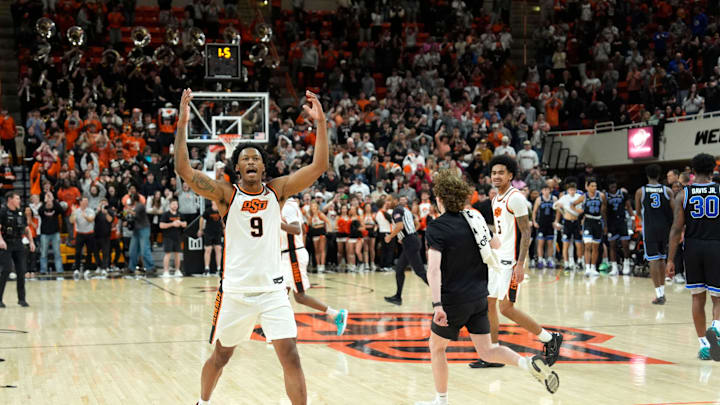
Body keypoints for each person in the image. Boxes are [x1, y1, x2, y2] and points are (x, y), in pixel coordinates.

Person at [175, 89, 328, 405]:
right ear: (237, 168)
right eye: (244, 158)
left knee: (291, 355)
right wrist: (182, 125)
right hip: (236, 292)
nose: (250, 160)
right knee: (221, 356)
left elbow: (318, 167)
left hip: (273, 291)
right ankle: (202, 402)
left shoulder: (278, 191)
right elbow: (185, 171)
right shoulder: (225, 195)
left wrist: (321, 123)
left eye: (255, 157)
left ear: (263, 166)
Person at [416, 170, 559, 405]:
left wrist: (437, 304)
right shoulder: (475, 219)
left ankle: (441, 401)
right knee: (487, 350)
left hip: (453, 300)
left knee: (436, 347)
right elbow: (495, 243)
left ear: (440, 199)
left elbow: (434, 270)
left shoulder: (437, 227)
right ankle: (526, 363)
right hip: (479, 297)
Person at [470, 156, 562, 369]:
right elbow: (501, 231)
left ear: (510, 175)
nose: (496, 176)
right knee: (488, 305)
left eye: (501, 172)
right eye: (493, 173)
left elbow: (526, 232)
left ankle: (550, 338)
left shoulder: (516, 198)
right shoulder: (495, 199)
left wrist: (520, 264)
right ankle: (492, 353)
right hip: (496, 260)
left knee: (506, 308)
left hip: (510, 263)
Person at [667, 153, 720, 361]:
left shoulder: (683, 194)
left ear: (692, 171)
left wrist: (671, 259)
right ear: (712, 170)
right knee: (718, 298)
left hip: (693, 248)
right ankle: (716, 329)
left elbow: (676, 229)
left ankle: (704, 346)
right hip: (716, 245)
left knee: (698, 297)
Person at [281, 196, 348, 335]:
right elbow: (303, 230)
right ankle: (282, 329)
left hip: (293, 256)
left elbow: (296, 229)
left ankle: (336, 314)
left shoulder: (287, 207)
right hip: (287, 255)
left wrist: (276, 224)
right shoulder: (286, 206)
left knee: (299, 297)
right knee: (281, 294)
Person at [635, 164, 674, 305]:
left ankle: (658, 294)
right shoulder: (667, 190)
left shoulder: (641, 191)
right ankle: (662, 292)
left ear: (647, 175)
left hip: (650, 228)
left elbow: (638, 212)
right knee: (662, 259)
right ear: (659, 175)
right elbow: (674, 211)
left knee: (653, 260)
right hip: (664, 229)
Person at [384, 195, 428, 305]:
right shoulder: (406, 210)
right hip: (412, 240)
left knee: (420, 272)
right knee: (399, 269)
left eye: (389, 200)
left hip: (410, 242)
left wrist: (390, 236)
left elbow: (400, 226)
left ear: (395, 200)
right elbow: (415, 224)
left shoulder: (396, 210)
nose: (387, 203)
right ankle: (398, 297)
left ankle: (443, 293)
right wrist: (404, 236)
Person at [0, 193, 35, 308]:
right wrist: (1, 240)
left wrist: (31, 242)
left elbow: (26, 229)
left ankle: (22, 299)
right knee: (6, 270)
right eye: (17, 198)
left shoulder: (20, 212)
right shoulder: (3, 211)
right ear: (10, 199)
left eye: (19, 198)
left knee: (21, 271)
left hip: (18, 243)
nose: (19, 200)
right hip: (6, 243)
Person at [572, 177, 606, 277]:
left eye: (595, 186)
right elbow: (572, 205)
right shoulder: (584, 196)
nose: (594, 187)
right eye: (592, 186)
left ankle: (593, 268)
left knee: (596, 247)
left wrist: (605, 224)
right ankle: (587, 268)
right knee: (588, 245)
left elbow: (604, 210)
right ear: (587, 186)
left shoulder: (601, 196)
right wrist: (579, 212)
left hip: (598, 221)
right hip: (588, 221)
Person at [554, 181, 585, 272]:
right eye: (570, 190)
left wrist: (571, 209)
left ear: (576, 190)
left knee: (579, 244)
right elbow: (555, 206)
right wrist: (559, 206)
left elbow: (581, 210)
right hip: (567, 223)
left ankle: (579, 262)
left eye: (573, 190)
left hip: (576, 222)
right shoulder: (564, 198)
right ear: (567, 190)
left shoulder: (578, 198)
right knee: (565, 244)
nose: (572, 191)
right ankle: (566, 263)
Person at [606, 177, 633, 276]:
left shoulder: (623, 194)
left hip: (622, 221)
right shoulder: (606, 195)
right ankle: (614, 267)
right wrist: (604, 225)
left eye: (614, 183)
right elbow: (604, 211)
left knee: (625, 244)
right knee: (612, 245)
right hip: (611, 223)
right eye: (611, 184)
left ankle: (626, 263)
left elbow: (629, 206)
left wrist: (633, 219)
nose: (613, 186)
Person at [71, 197, 101, 278]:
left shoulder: (90, 211)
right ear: (80, 202)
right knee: (77, 252)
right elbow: (71, 221)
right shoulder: (76, 211)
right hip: (80, 234)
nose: (86, 203)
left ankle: (87, 269)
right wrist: (73, 212)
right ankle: (76, 269)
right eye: (84, 201)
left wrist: (84, 216)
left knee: (89, 252)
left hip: (89, 234)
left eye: (87, 201)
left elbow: (91, 219)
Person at [38, 191, 65, 276]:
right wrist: (45, 201)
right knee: (43, 253)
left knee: (57, 252)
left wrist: (53, 200)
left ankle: (59, 270)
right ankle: (43, 270)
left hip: (55, 233)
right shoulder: (42, 210)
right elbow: (39, 211)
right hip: (44, 234)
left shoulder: (56, 210)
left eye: (50, 202)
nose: (49, 203)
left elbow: (61, 210)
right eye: (47, 202)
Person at [532, 184, 557, 269]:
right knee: (540, 243)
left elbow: (558, 211)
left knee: (550, 243)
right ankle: (540, 260)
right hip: (541, 224)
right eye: (544, 189)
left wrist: (556, 221)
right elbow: (534, 211)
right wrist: (534, 221)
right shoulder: (539, 199)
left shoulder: (554, 199)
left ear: (550, 190)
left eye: (547, 189)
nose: (546, 191)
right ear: (542, 191)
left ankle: (549, 259)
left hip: (550, 224)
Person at [159, 199, 186, 278]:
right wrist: (172, 224)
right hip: (168, 237)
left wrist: (180, 223)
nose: (175, 205)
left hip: (178, 237)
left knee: (177, 254)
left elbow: (185, 224)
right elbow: (161, 225)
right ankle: (166, 271)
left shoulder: (180, 214)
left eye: (176, 204)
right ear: (170, 205)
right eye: (173, 204)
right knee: (168, 254)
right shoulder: (166, 214)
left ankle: (177, 270)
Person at [198, 200, 224, 277]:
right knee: (208, 249)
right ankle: (207, 269)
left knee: (218, 249)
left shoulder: (220, 210)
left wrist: (223, 228)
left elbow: (222, 219)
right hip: (208, 232)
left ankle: (219, 269)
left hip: (218, 232)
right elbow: (201, 219)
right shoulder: (208, 211)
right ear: (212, 202)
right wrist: (200, 229)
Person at [306, 201, 329, 273]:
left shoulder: (320, 214)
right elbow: (308, 224)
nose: (313, 208)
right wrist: (308, 217)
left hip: (321, 233)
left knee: (322, 249)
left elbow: (327, 222)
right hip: (314, 234)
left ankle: (322, 265)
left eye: (315, 206)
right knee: (317, 250)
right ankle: (318, 265)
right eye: (312, 206)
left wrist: (328, 231)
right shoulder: (311, 217)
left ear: (317, 207)